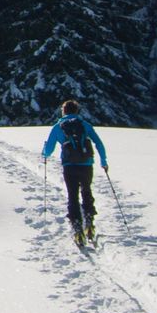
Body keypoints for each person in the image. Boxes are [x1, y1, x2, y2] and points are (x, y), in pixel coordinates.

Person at [41, 98, 108, 244]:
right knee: (86, 190)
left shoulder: (58, 126)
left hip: (69, 165)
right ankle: (89, 221)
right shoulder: (85, 125)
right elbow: (99, 143)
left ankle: (77, 227)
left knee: (72, 195)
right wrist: (104, 162)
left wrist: (44, 154)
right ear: (77, 111)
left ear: (63, 111)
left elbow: (49, 149)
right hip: (86, 164)